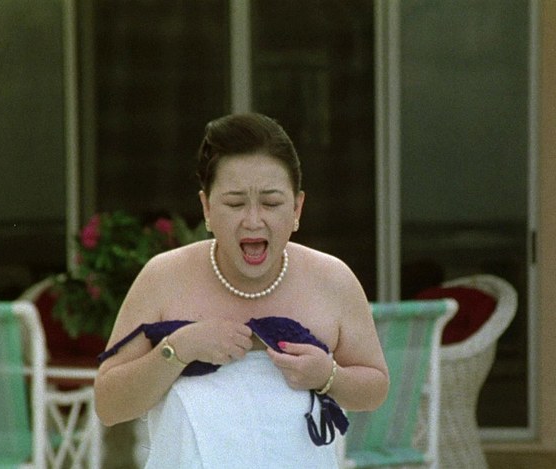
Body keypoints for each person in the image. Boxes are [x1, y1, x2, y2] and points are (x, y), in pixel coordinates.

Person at [94, 113, 389, 468]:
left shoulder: (333, 279)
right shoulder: (163, 277)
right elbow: (109, 405)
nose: (253, 220)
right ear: (206, 208)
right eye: (235, 203)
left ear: (297, 208)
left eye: (271, 203)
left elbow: (375, 389)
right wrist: (178, 349)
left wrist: (328, 376)